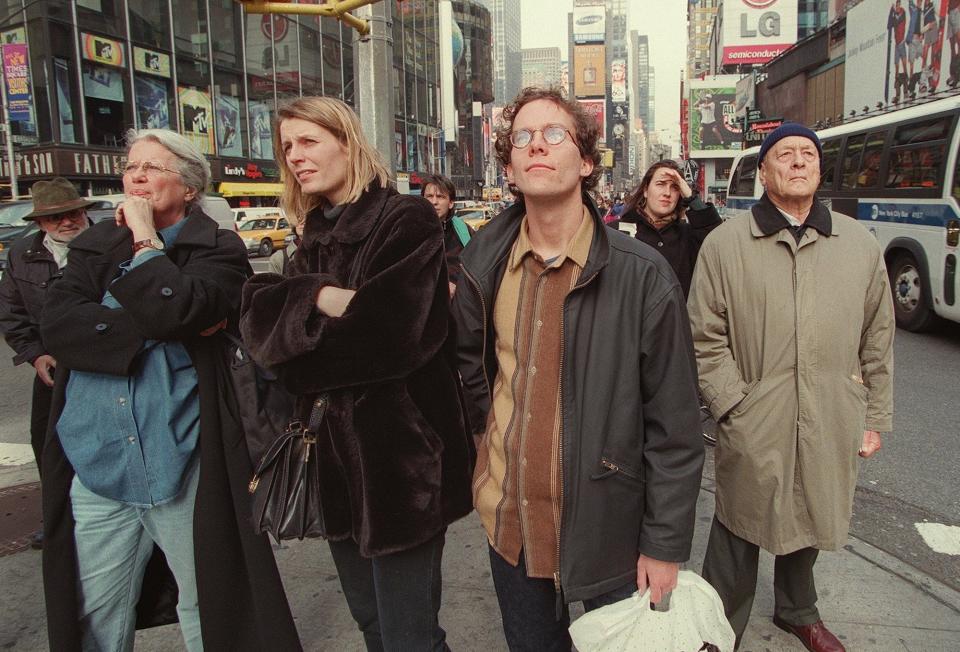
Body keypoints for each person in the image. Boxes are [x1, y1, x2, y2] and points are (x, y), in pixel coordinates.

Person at [452, 86, 704, 651]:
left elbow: (676, 426)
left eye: (554, 133)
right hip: (511, 530)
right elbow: (471, 371)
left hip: (607, 535)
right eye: (522, 137)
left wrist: (664, 546)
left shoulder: (644, 277)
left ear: (586, 162)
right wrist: (483, 454)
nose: (537, 145)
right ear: (510, 169)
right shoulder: (482, 265)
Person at [39, 128, 300, 651]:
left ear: (189, 187)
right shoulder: (94, 246)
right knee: (96, 606)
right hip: (96, 459)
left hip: (180, 458)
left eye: (153, 167)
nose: (136, 176)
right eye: (131, 166)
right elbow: (57, 325)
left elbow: (177, 307)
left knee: (207, 598)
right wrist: (159, 327)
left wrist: (144, 245)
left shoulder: (218, 248)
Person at [239, 96, 474, 652]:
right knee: (372, 624)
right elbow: (260, 333)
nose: (295, 156)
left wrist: (296, 331)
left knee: (408, 636)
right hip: (331, 461)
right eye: (287, 146)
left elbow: (391, 337)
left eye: (309, 141)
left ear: (347, 142)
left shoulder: (405, 218)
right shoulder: (312, 234)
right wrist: (317, 294)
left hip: (402, 461)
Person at [687, 123, 894, 652]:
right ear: (764, 172)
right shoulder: (725, 244)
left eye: (808, 154)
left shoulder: (859, 245)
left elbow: (878, 337)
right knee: (738, 522)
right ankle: (717, 627)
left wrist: (873, 415)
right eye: (785, 154)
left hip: (831, 409)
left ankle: (798, 611)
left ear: (820, 169)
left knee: (812, 509)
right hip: (756, 410)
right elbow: (704, 337)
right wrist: (736, 404)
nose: (798, 161)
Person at [0, 178, 93, 548]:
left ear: (83, 212)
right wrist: (37, 355)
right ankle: (57, 522)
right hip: (53, 370)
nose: (66, 222)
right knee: (49, 447)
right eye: (55, 218)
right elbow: (13, 314)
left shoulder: (110, 244)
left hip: (105, 367)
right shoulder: (22, 254)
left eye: (71, 213)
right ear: (39, 223)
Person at [616, 160, 722, 298]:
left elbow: (718, 242)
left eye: (675, 187)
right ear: (646, 190)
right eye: (661, 184)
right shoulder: (617, 232)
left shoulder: (688, 236)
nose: (667, 193)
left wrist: (691, 197)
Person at [421, 173, 474, 296]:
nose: (434, 202)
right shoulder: (411, 231)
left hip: (458, 305)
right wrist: (441, 285)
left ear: (451, 203)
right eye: (429, 196)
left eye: (440, 196)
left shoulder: (464, 232)